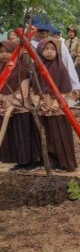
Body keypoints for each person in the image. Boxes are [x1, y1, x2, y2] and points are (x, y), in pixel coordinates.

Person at [32, 38, 77, 171]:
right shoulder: (36, 68)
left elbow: (65, 89)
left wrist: (57, 104)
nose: (50, 52)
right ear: (40, 51)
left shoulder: (60, 68)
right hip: (42, 105)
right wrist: (39, 104)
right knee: (47, 135)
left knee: (60, 135)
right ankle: (51, 162)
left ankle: (65, 163)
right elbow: (32, 89)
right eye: (46, 49)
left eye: (53, 49)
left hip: (57, 105)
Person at [0, 40, 42, 170]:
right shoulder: (1, 69)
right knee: (13, 136)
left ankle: (29, 161)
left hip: (20, 109)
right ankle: (20, 161)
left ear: (15, 53)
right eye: (1, 52)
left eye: (7, 51)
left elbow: (23, 93)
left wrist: (12, 104)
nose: (3, 55)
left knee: (22, 136)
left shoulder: (22, 70)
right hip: (5, 108)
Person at [30, 15, 80, 102]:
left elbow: (68, 65)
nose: (42, 33)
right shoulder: (27, 45)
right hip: (34, 88)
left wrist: (76, 86)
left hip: (56, 87)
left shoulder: (58, 44)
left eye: (45, 30)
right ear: (33, 29)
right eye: (40, 30)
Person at [65, 25, 80, 106]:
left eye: (72, 32)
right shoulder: (66, 42)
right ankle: (69, 98)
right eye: (69, 32)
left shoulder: (79, 42)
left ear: (75, 33)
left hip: (78, 63)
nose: (70, 33)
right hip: (69, 61)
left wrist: (74, 64)